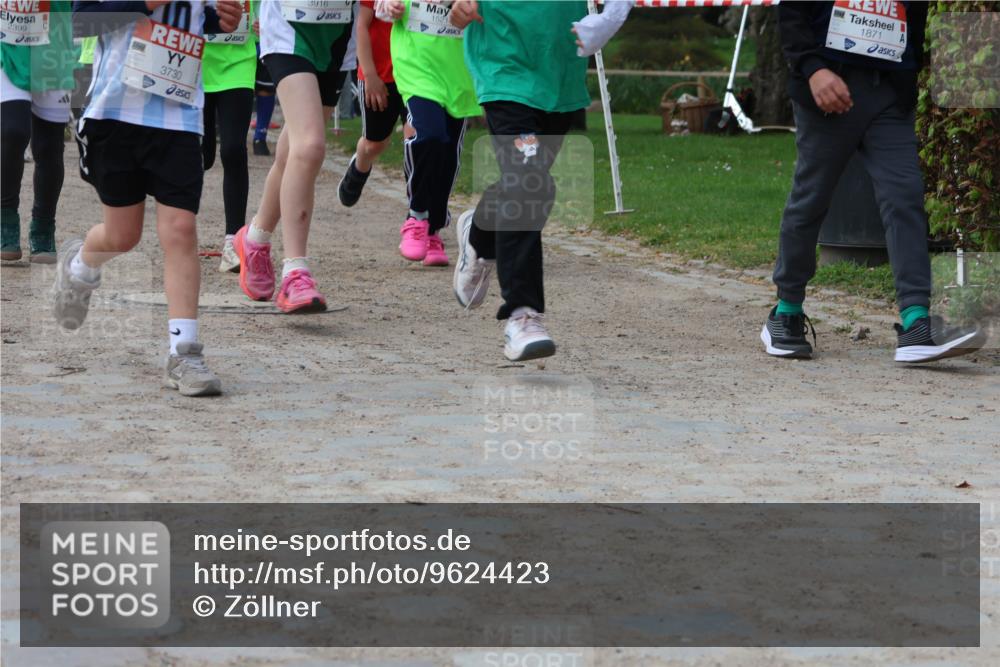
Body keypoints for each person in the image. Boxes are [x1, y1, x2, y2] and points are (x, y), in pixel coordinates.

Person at [763, 0, 987, 363]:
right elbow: (791, 13)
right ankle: (786, 311)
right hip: (826, 90)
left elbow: (913, 17)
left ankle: (916, 323)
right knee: (812, 199)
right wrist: (812, 69)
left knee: (905, 197)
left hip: (888, 96)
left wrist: (907, 79)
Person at [54, 0, 243, 396]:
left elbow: (198, 17)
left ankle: (183, 353)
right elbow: (79, 21)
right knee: (123, 235)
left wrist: (220, 20)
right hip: (115, 113)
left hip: (179, 114)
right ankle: (80, 267)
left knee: (180, 228)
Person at [449, 0, 631, 361]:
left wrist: (609, 19)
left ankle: (480, 232)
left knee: (527, 182)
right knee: (532, 183)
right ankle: (522, 315)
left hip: (559, 69)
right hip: (504, 62)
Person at [233, 0, 353, 313]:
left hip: (339, 30)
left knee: (295, 149)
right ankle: (295, 272)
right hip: (288, 26)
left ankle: (255, 238)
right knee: (311, 145)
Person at [376, 0, 481, 268]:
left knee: (448, 155)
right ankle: (417, 215)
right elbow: (380, 6)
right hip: (416, 62)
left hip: (458, 68)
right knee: (429, 134)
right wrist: (388, 5)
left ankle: (433, 229)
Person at [1, 0, 77, 263]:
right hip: (7, 46)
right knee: (12, 131)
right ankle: (5, 219)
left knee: (49, 147)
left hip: (53, 45)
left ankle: (43, 227)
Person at [202, 0, 255, 273]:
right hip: (193, 59)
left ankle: (233, 241)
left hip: (238, 60)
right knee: (201, 155)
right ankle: (180, 230)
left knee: (233, 149)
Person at [337, 0, 407, 209]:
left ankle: (419, 214)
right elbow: (362, 25)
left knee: (417, 141)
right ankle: (360, 165)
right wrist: (369, 75)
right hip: (379, 75)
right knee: (375, 143)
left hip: (416, 74)